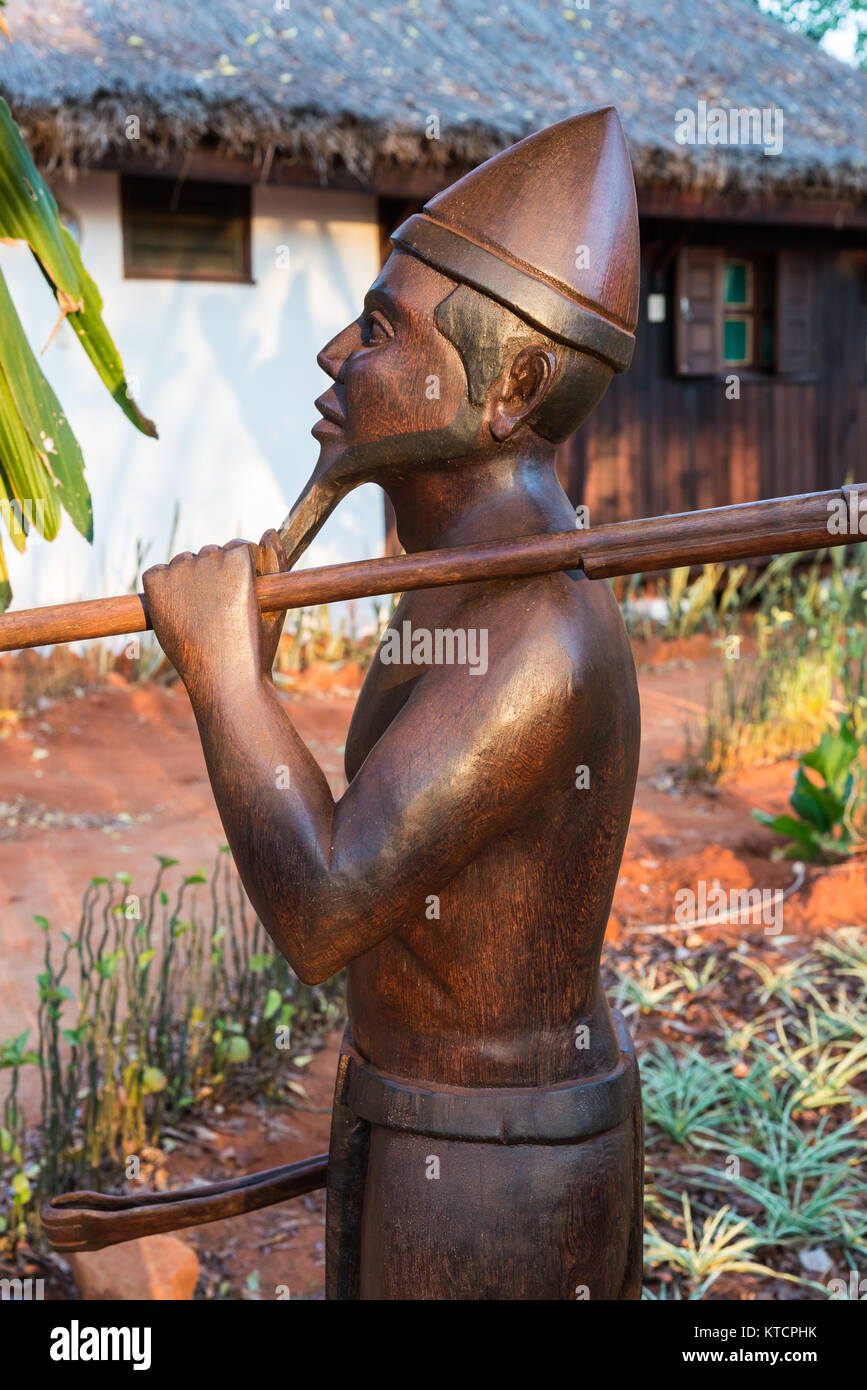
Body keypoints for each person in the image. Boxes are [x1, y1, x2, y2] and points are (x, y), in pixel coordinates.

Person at [143, 105, 644, 1300]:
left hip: (496, 1182)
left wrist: (225, 678)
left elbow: (321, 909)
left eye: (379, 328)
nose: (332, 356)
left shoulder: (535, 636)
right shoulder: (463, 590)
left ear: (510, 386)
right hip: (428, 1129)